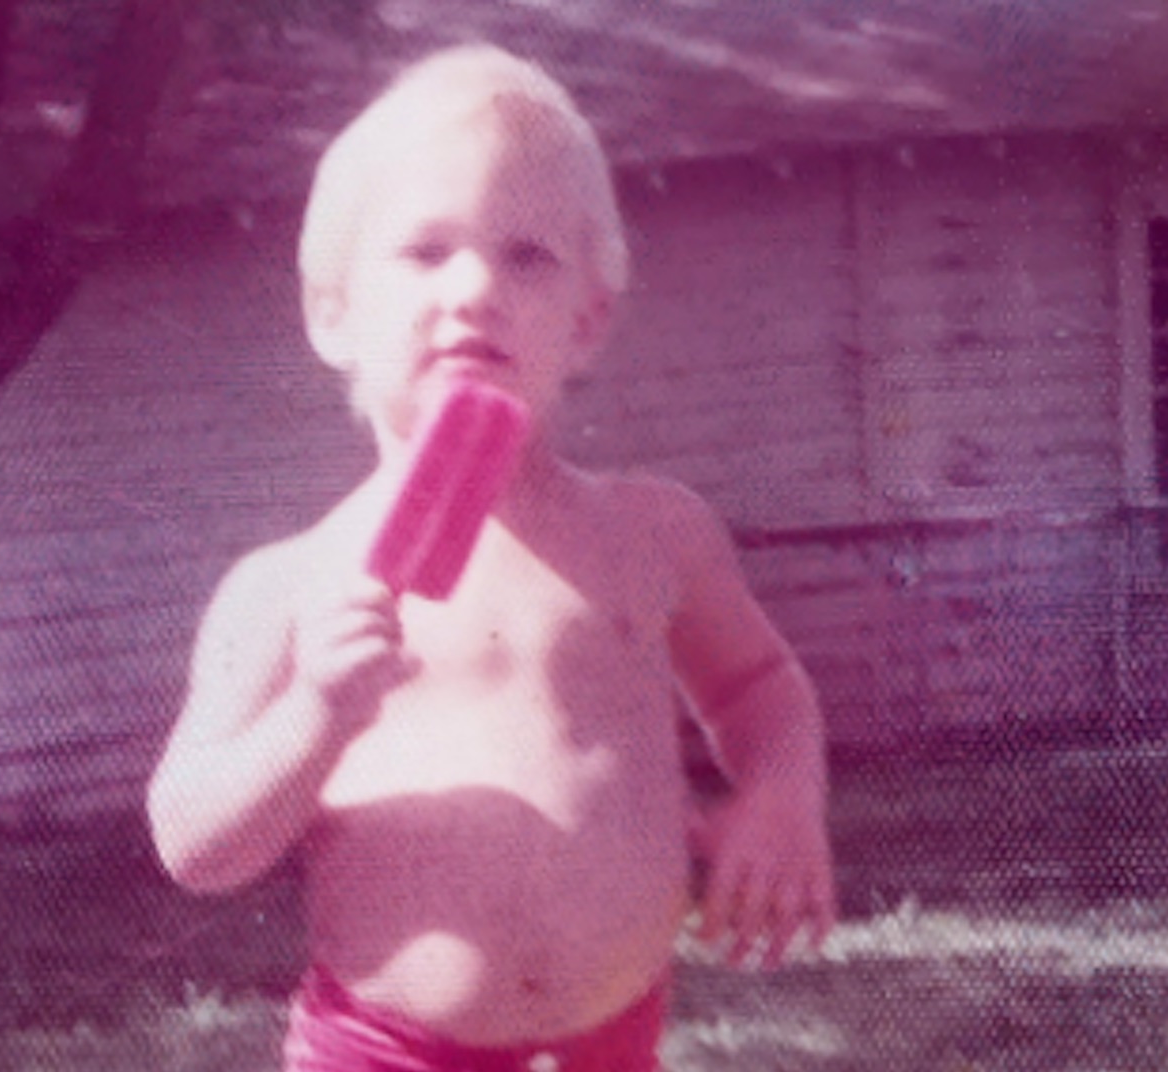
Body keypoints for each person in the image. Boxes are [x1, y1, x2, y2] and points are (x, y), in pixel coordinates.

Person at [147, 43, 836, 1072]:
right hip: (384, 1053)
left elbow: (759, 687)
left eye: (528, 257)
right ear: (334, 314)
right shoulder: (288, 587)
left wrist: (782, 797)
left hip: (612, 1043)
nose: (474, 288)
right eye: (426, 251)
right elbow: (194, 844)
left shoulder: (652, 532)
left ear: (587, 322)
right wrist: (316, 715)